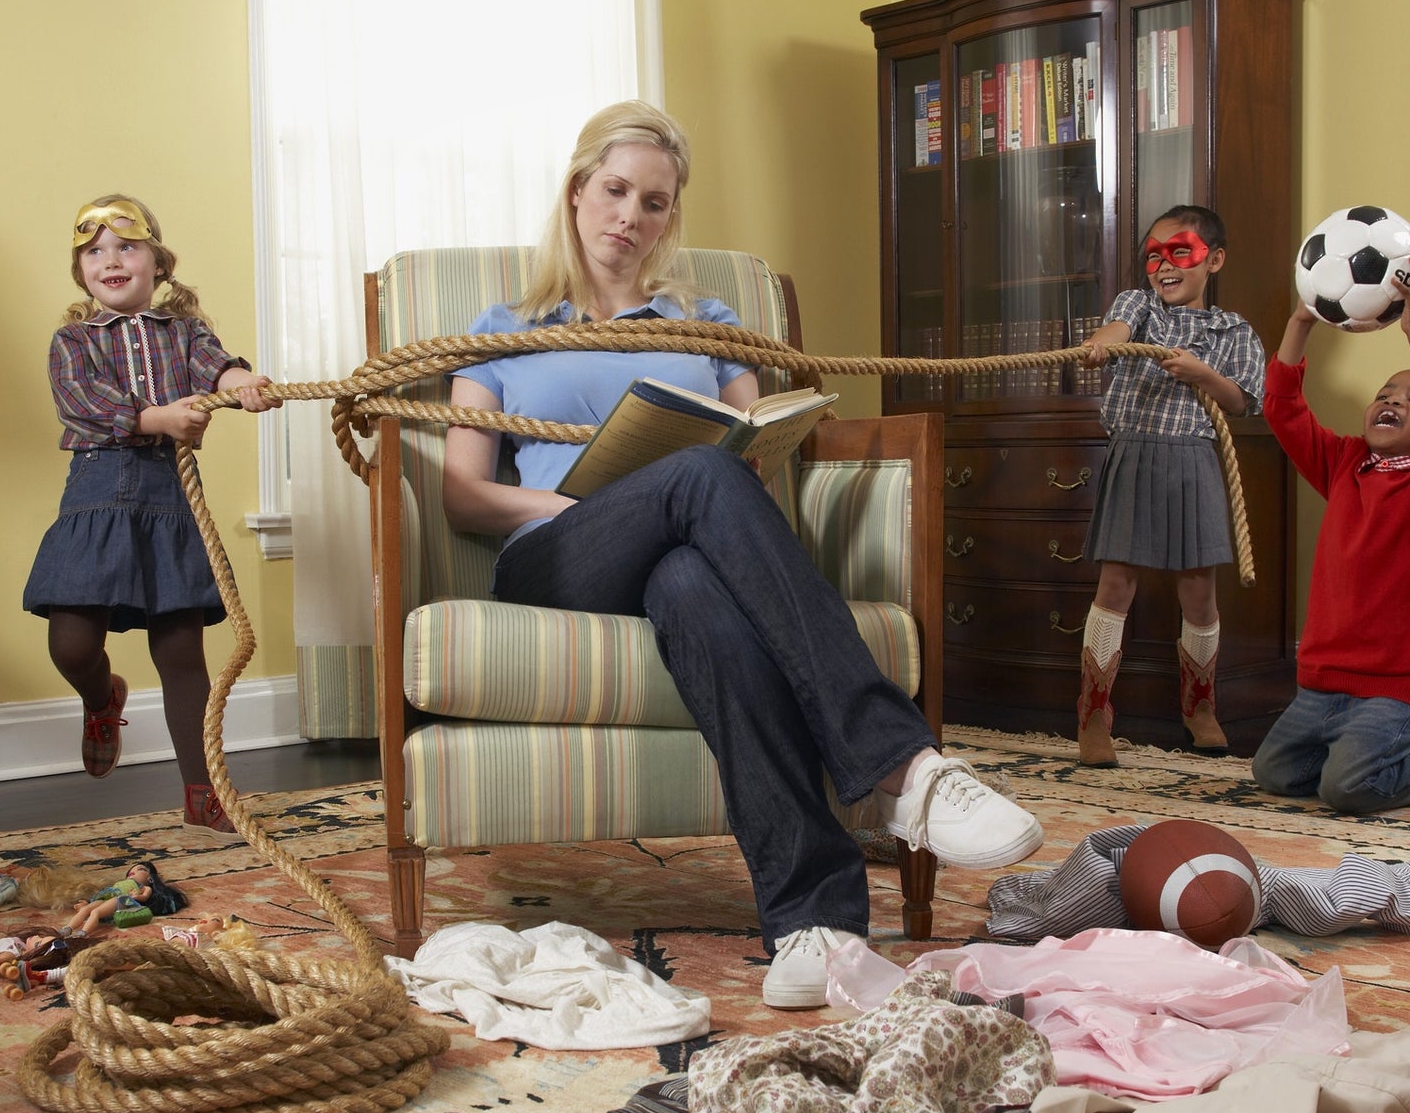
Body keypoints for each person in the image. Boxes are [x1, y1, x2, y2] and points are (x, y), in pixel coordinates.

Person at [442, 99, 1044, 1010]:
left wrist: (694, 488)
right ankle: (897, 764)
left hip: (682, 549)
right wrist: (586, 501)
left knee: (695, 581)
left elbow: (751, 467)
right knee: (693, 475)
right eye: (614, 191)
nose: (630, 218)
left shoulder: (711, 323)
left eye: (654, 203)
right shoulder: (500, 328)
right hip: (556, 558)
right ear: (575, 192)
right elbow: (464, 492)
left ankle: (818, 921)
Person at [21, 194, 281, 836]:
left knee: (180, 651)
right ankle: (100, 694)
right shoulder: (72, 341)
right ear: (81, 270)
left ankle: (204, 790)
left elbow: (213, 366)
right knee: (72, 640)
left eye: (127, 247)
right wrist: (156, 418)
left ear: (158, 263)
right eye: (94, 251)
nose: (111, 259)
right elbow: (82, 401)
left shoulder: (183, 333)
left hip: (167, 501)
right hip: (96, 497)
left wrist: (240, 382)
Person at [1250, 252, 1410, 812]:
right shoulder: (1344, 464)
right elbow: (1283, 410)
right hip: (1326, 681)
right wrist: (1302, 320)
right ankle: (1370, 746)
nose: (1393, 398)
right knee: (1274, 773)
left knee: (1351, 789)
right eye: (1385, 393)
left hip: (1403, 685)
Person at [1073, 205, 1266, 768]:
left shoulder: (1232, 331)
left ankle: (1200, 706)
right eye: (1154, 255)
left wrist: (1201, 373)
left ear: (1215, 259)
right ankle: (1094, 713)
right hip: (1135, 453)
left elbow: (1241, 401)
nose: (1164, 265)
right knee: (1116, 584)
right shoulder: (1139, 307)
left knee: (1199, 589)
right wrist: (1102, 343)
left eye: (1179, 252)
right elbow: (1115, 329)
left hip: (1194, 462)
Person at [60, 861, 189, 934]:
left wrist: (137, 896)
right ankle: (68, 928)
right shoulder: (119, 884)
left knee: (95, 912)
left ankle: (83, 932)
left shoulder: (145, 887)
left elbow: (144, 897)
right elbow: (105, 893)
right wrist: (88, 902)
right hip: (108, 898)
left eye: (141, 869)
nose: (134, 871)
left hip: (122, 900)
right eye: (131, 870)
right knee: (86, 909)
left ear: (150, 879)